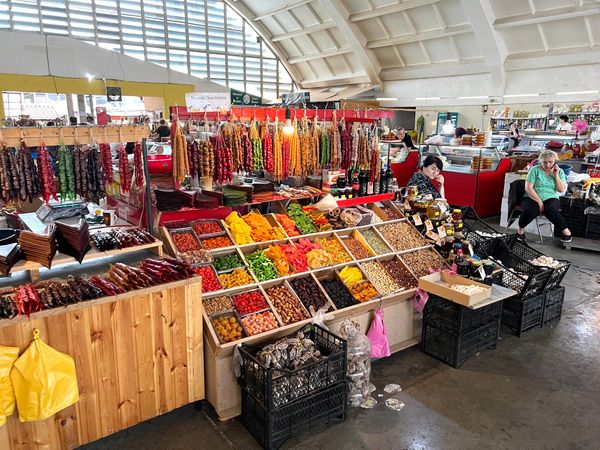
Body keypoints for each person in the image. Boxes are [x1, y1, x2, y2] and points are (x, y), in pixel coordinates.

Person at [517, 149, 571, 243]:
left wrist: (556, 174)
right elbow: (528, 188)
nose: (548, 165)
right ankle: (520, 230)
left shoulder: (560, 171)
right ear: (541, 161)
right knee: (531, 211)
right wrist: (539, 202)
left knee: (550, 209)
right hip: (532, 196)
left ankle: (566, 232)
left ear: (555, 162)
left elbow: (561, 190)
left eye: (550, 162)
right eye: (545, 162)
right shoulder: (535, 170)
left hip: (551, 197)